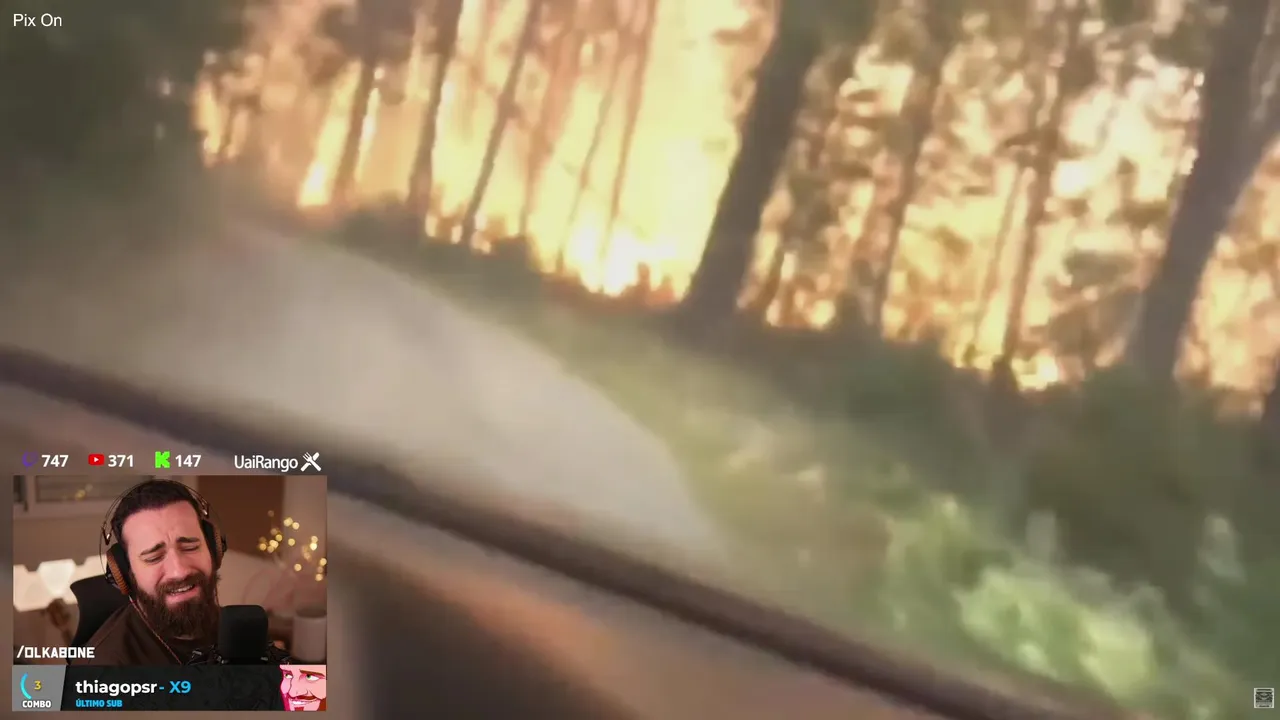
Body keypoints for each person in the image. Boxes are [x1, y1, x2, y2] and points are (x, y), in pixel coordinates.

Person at [72, 480, 224, 665]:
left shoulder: (240, 629)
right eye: (154, 558)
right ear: (126, 573)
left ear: (213, 549)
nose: (179, 571)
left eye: (190, 547)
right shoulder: (106, 667)